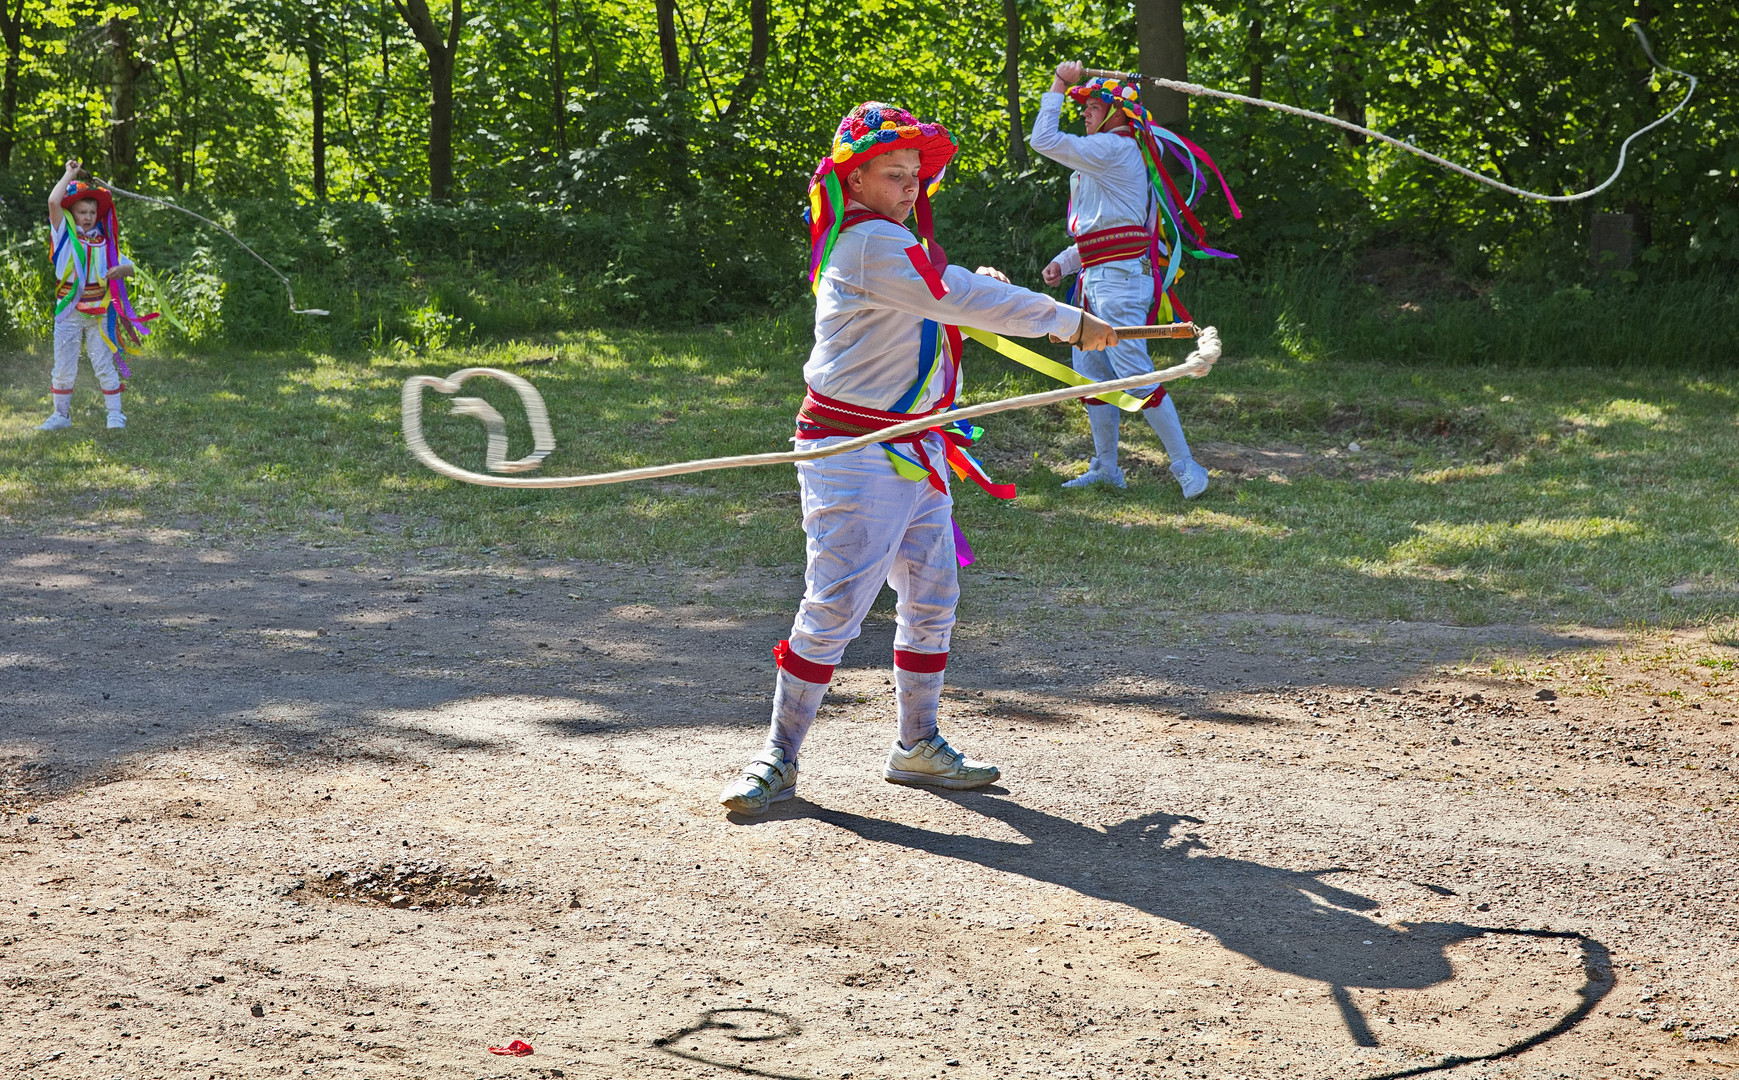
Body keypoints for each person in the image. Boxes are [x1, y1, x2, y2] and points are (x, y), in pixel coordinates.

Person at [719, 102, 1118, 815]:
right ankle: (777, 754)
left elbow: (944, 294)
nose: (909, 188)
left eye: (915, 176)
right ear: (855, 179)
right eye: (893, 174)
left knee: (932, 598)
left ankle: (917, 745)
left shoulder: (892, 243)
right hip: (853, 452)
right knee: (834, 605)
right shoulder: (868, 243)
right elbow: (953, 295)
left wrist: (986, 292)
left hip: (914, 450)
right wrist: (1066, 320)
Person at [1030, 61, 1239, 496]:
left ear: (1117, 113)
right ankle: (1106, 467)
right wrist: (1065, 263)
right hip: (1094, 280)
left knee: (1135, 375)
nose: (1083, 113)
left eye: (1091, 106)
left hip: (1120, 281)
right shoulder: (1103, 157)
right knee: (1091, 375)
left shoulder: (1114, 149)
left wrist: (1059, 84)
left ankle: (1187, 466)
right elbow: (1108, 227)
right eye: (1081, 105)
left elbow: (1042, 139)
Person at [39, 159, 155, 431]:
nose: (88, 216)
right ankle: (61, 416)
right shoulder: (64, 236)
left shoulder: (106, 242)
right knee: (64, 367)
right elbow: (53, 203)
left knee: (103, 364)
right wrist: (70, 174)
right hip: (68, 314)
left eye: (92, 212)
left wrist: (121, 269)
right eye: (82, 211)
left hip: (100, 316)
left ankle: (115, 414)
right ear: (73, 213)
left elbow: (131, 269)